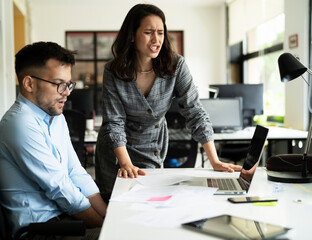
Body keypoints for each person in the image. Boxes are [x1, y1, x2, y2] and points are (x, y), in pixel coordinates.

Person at [94, 4, 242, 194]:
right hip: (116, 154)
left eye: (161, 32)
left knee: (150, 203)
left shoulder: (175, 65)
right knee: (115, 208)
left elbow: (195, 112)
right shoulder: (113, 71)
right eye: (148, 32)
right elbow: (114, 122)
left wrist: (214, 160)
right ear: (131, 35)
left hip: (152, 146)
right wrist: (126, 164)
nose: (156, 39)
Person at [0, 41, 106, 239]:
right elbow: (60, 189)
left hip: (65, 219)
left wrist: (108, 216)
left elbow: (75, 172)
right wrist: (107, 227)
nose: (67, 92)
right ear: (29, 83)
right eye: (59, 84)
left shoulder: (55, 117)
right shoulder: (20, 123)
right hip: (41, 231)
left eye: (68, 84)